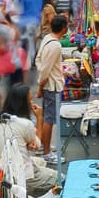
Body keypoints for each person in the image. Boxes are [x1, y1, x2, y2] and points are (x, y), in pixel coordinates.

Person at [0, 84, 58, 197]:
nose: (32, 103)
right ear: (23, 104)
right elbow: (37, 145)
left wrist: (25, 143)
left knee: (41, 162)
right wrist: (40, 118)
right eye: (30, 100)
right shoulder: (25, 123)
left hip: (1, 173)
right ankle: (33, 194)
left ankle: (33, 192)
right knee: (61, 178)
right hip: (21, 176)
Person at [35, 14, 68, 159]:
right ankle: (47, 153)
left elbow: (38, 60)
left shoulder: (47, 38)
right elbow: (45, 70)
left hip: (48, 83)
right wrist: (40, 86)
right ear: (63, 28)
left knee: (47, 117)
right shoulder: (55, 45)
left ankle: (44, 146)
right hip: (52, 86)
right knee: (49, 119)